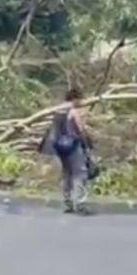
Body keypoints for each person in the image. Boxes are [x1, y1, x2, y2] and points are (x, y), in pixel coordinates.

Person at [39, 87, 94, 215]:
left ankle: (67, 202)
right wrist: (87, 145)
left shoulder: (58, 111)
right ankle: (80, 203)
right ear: (76, 99)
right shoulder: (73, 111)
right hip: (73, 146)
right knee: (80, 173)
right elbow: (80, 130)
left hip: (60, 147)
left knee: (67, 174)